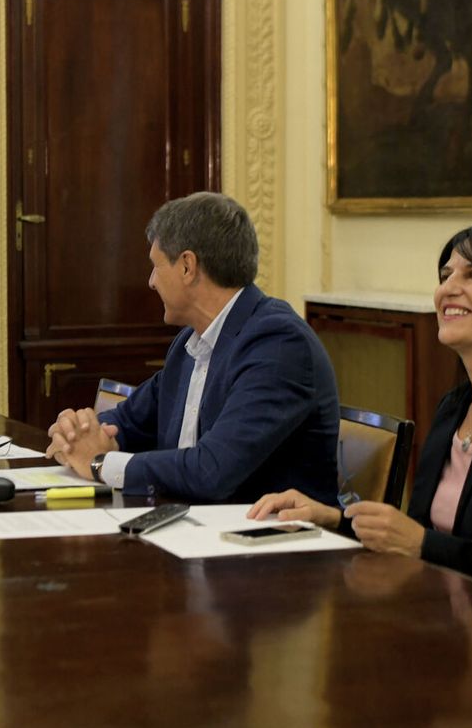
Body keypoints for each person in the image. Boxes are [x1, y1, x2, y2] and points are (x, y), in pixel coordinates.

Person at [250, 223, 472, 617]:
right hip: (446, 623)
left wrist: (423, 545)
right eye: (446, 276)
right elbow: (415, 537)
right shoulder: (454, 407)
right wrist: (331, 520)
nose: (447, 289)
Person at [47, 192, 340, 505]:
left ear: (187, 266)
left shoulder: (278, 345)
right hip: (193, 528)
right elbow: (125, 424)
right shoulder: (190, 344)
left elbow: (212, 471)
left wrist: (99, 463)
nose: (151, 282)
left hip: (273, 542)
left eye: (156, 267)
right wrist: (76, 435)